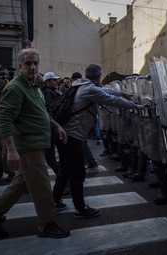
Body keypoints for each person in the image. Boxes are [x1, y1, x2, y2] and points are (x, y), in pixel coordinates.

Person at [0, 48, 70, 238]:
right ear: (20, 66)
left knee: (19, 185)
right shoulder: (15, 87)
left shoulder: (34, 85)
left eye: (35, 63)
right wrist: (11, 149)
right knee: (43, 187)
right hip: (29, 146)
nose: (33, 67)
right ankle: (46, 224)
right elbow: (3, 119)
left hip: (37, 143)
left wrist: (56, 125)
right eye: (28, 63)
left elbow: (41, 113)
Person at [53, 64, 149, 218]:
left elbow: (104, 91)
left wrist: (121, 92)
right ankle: (80, 209)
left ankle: (55, 201)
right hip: (72, 135)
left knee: (65, 170)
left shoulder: (80, 85)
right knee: (77, 173)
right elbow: (111, 100)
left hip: (64, 132)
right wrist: (135, 106)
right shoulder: (90, 89)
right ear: (98, 77)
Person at [43, 72, 61, 175]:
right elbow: (49, 110)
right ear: (47, 81)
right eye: (54, 80)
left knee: (50, 159)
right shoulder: (49, 93)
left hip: (54, 129)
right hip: (53, 128)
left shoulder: (52, 92)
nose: (56, 82)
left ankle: (63, 180)